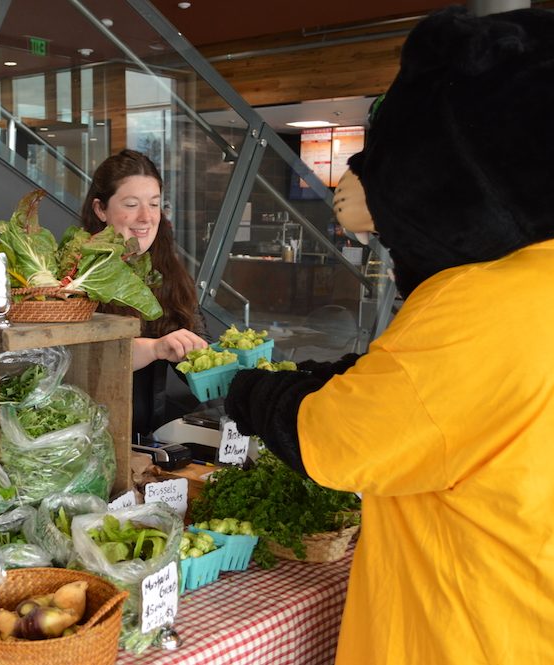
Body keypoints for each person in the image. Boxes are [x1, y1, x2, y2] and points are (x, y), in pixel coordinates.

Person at [224, 7, 554, 664]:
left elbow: (337, 442)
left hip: (469, 632)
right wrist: (338, 371)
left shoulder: (482, 301)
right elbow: (440, 403)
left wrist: (253, 393)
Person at [80, 149, 207, 437]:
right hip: (88, 437)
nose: (146, 217)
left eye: (153, 204)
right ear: (101, 209)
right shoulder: (74, 275)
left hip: (149, 440)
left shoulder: (168, 272)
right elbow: (82, 360)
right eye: (131, 204)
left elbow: (198, 342)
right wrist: (156, 348)